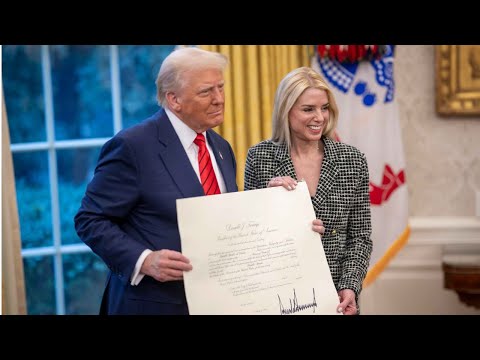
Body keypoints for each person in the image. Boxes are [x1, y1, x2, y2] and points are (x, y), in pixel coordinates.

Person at [74, 47, 238, 315]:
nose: (219, 99)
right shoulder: (132, 146)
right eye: (206, 91)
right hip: (152, 304)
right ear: (174, 100)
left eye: (220, 87)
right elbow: (89, 220)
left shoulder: (221, 147)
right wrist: (145, 260)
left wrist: (276, 201)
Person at [244, 67, 372, 315]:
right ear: (286, 110)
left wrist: (350, 287)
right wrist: (267, 203)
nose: (320, 117)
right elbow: (250, 242)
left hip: (336, 300)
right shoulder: (260, 157)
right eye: (308, 109)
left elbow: (360, 238)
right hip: (278, 299)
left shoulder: (353, 160)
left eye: (324, 108)